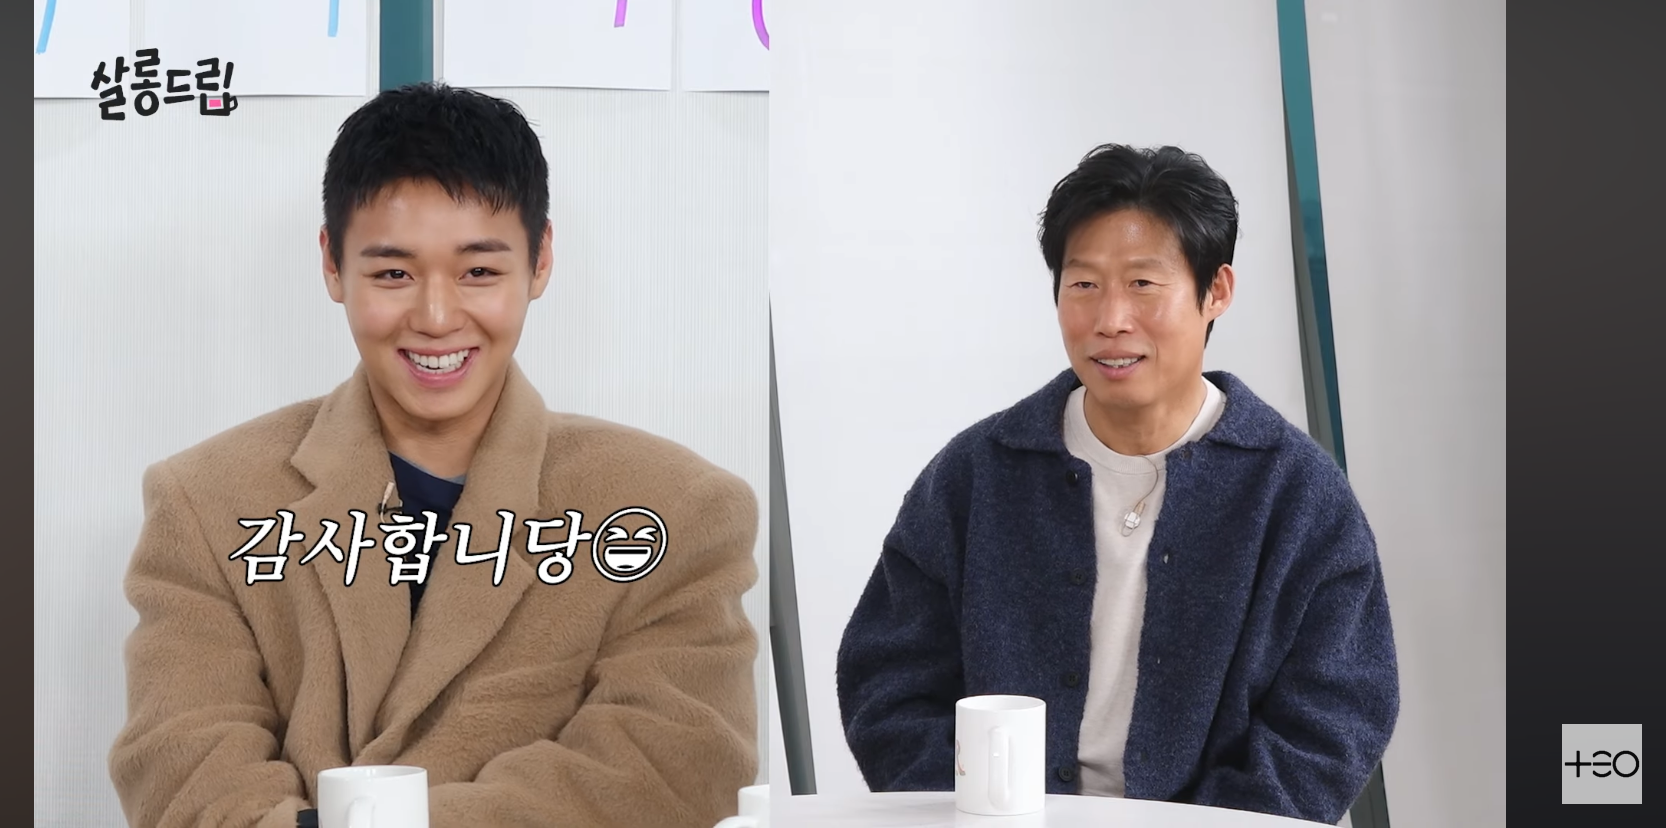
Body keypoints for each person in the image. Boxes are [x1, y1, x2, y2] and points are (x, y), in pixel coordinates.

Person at [108, 83, 760, 828]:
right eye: (393, 274)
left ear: (541, 259)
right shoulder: (205, 503)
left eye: (479, 271)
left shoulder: (674, 509)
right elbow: (184, 776)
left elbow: (669, 773)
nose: (437, 317)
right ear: (332, 264)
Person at [835, 144, 1398, 825]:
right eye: (1084, 285)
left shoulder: (1298, 494)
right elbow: (887, 678)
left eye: (1143, 284)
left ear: (1216, 291)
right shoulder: (977, 473)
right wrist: (969, 810)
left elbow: (1335, 717)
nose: (1110, 320)